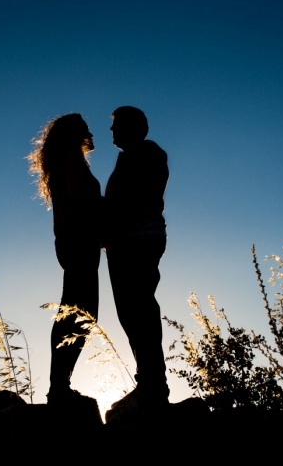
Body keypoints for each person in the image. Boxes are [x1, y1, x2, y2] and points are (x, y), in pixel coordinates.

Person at [27, 113, 101, 404]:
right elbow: (83, 202)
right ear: (74, 133)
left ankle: (59, 384)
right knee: (80, 313)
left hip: (73, 242)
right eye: (84, 127)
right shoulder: (70, 157)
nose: (89, 131)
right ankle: (59, 386)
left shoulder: (63, 158)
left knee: (76, 311)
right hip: (79, 241)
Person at [103, 106, 170, 406]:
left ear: (133, 127)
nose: (112, 130)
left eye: (117, 125)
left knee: (138, 310)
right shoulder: (132, 157)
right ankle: (149, 381)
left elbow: (132, 200)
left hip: (136, 241)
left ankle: (153, 385)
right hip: (126, 241)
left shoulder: (147, 154)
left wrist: (106, 227)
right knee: (132, 313)